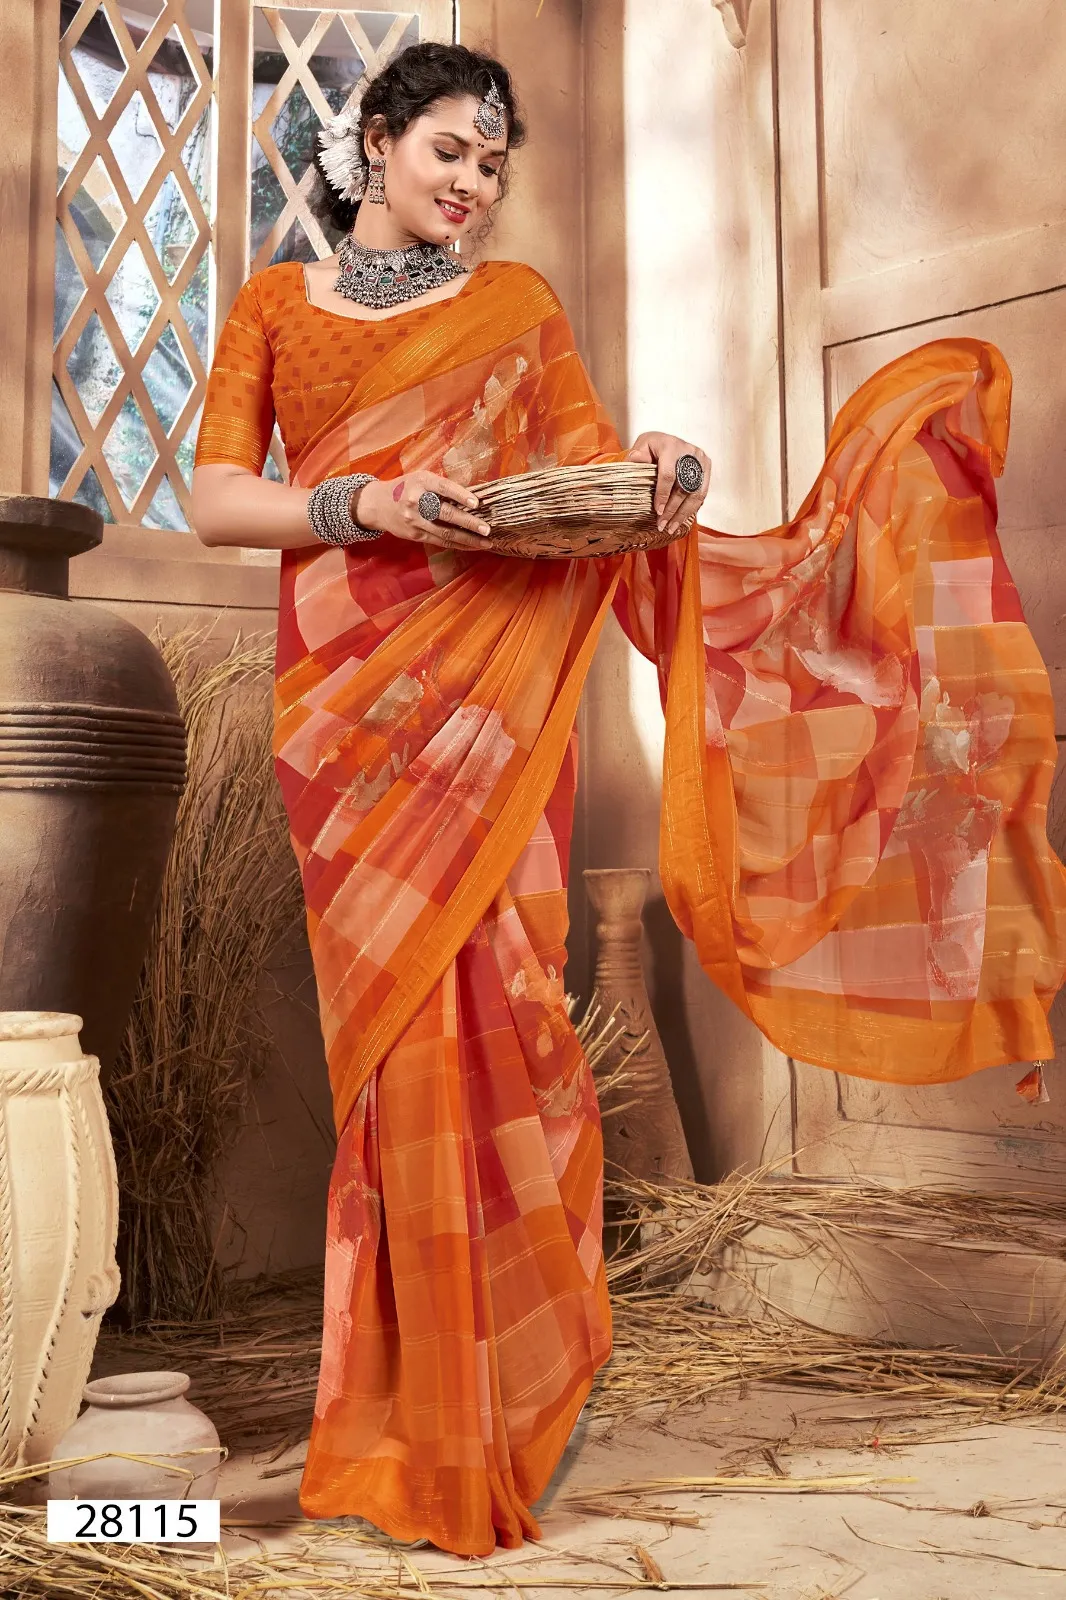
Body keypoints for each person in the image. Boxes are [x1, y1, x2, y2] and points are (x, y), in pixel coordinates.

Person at [192, 41, 1066, 1558]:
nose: (473, 184)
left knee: (504, 1021)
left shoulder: (518, 309)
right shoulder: (274, 307)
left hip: (491, 718)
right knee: (394, 1054)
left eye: (493, 164)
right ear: (376, 140)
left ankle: (482, 1416)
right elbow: (216, 501)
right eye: (449, 150)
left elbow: (589, 492)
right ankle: (394, 1423)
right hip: (347, 721)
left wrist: (657, 467)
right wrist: (369, 501)